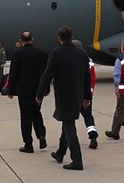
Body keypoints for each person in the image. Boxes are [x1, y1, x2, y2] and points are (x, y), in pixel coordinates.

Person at [36, 26, 91, 171]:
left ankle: (77, 160)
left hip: (64, 95)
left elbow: (47, 74)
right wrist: (87, 96)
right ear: (71, 37)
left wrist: (40, 94)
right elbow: (87, 77)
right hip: (77, 95)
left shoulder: (56, 53)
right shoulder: (82, 53)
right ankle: (60, 153)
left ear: (59, 38)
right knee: (67, 122)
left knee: (68, 125)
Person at [6, 31, 48, 153]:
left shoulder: (17, 53)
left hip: (23, 90)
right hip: (38, 89)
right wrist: (46, 88)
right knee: (36, 113)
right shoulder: (42, 53)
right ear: (32, 40)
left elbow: (13, 73)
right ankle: (41, 135)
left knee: (25, 117)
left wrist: (10, 89)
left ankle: (28, 144)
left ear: (20, 40)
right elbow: (46, 72)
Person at [73, 39, 98, 149]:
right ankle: (92, 135)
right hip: (87, 93)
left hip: (74, 94)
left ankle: (66, 140)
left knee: (69, 119)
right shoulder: (89, 60)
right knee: (88, 116)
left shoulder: (72, 59)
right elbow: (92, 78)